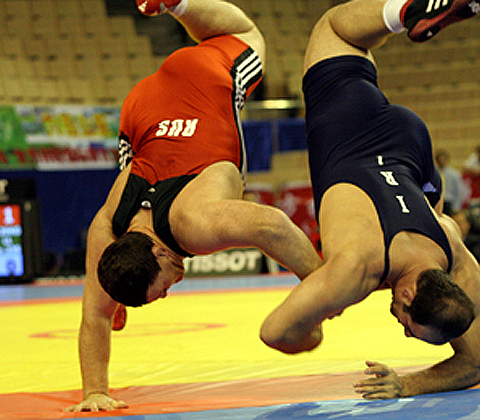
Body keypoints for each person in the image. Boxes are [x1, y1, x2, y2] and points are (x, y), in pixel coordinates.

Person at [66, 0, 322, 412]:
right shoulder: (108, 228)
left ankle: (180, 3)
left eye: (161, 287)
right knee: (104, 295)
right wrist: (95, 391)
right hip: (143, 108)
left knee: (246, 35)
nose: (168, 294)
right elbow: (95, 316)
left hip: (203, 82)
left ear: (160, 251)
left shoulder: (193, 225)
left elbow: (272, 226)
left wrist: (326, 286)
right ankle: (177, 5)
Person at [259, 0, 480, 399]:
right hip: (348, 127)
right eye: (408, 325)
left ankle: (405, 15)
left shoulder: (455, 254)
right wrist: (311, 332)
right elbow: (274, 331)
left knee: (433, 208)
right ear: (406, 295)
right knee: (331, 28)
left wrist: (407, 383)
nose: (402, 329)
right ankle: (412, 10)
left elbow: (477, 363)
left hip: (411, 147)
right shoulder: (356, 271)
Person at [435, 148, 467, 215]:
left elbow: (460, 191)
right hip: (437, 203)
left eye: (443, 159)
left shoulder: (454, 174)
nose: (441, 161)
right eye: (439, 159)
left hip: (449, 203)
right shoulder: (433, 174)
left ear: (446, 160)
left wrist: (456, 207)